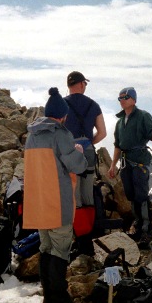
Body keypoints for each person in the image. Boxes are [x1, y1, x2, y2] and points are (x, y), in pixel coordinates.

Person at [23, 87, 88, 303]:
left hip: (39, 204)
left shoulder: (32, 135)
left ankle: (49, 301)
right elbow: (77, 166)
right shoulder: (61, 134)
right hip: (57, 204)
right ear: (63, 116)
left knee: (46, 249)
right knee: (60, 252)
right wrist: (78, 150)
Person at [107, 87, 152, 247]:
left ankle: (146, 229)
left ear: (133, 99)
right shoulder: (119, 122)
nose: (121, 100)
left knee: (141, 194)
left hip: (139, 161)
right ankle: (138, 226)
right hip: (126, 163)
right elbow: (118, 146)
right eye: (119, 98)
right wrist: (113, 165)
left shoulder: (143, 116)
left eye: (124, 97)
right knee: (131, 194)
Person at [63, 71, 106, 255]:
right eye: (85, 84)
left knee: (74, 196)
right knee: (88, 192)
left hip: (69, 152)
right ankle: (89, 238)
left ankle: (80, 239)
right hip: (87, 151)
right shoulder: (93, 105)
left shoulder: (62, 105)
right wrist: (89, 143)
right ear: (81, 84)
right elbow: (102, 133)